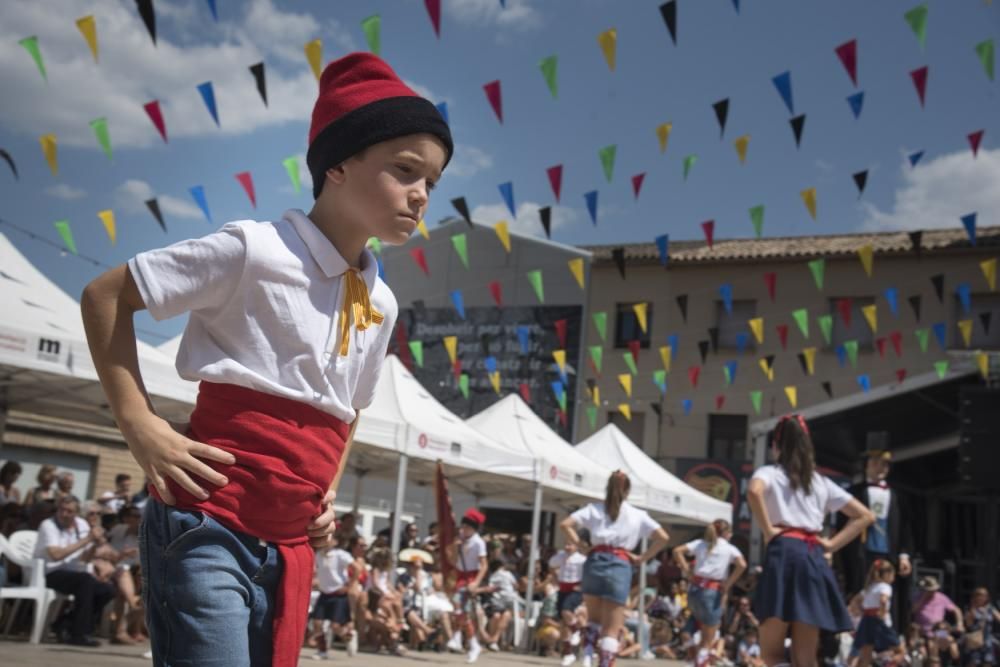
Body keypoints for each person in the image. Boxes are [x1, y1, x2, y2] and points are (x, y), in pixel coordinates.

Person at [80, 51, 452, 667]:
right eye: (405, 170)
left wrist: (327, 491)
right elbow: (106, 296)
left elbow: (347, 409)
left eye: (431, 183)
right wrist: (140, 424)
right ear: (337, 162)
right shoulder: (254, 248)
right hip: (208, 525)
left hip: (291, 545)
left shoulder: (380, 302)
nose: (420, 195)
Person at [746, 414, 874, 667]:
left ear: (777, 446)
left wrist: (769, 530)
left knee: (771, 655)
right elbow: (865, 515)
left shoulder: (770, 473)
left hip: (783, 552)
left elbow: (753, 491)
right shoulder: (820, 482)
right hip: (813, 555)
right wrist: (831, 544)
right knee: (805, 658)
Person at [560, 470, 670, 667]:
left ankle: (586, 655)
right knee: (612, 627)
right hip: (620, 563)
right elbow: (663, 537)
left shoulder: (593, 508)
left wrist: (582, 546)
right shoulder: (638, 514)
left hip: (594, 561)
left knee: (592, 618)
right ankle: (604, 663)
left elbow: (565, 524)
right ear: (627, 491)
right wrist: (642, 557)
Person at [837, 446, 913, 629]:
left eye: (885, 465)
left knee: (886, 595)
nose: (881, 468)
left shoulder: (897, 496)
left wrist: (904, 555)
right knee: (859, 590)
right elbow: (842, 524)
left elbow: (905, 528)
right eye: (876, 463)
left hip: (888, 553)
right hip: (861, 553)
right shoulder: (854, 493)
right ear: (866, 466)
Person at [33, 496, 115, 646]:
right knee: (85, 581)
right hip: (50, 572)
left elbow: (84, 558)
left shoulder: (81, 524)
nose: (64, 514)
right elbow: (56, 555)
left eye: (69, 511)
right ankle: (80, 634)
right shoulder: (48, 525)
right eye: (61, 510)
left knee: (107, 589)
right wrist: (88, 539)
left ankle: (65, 623)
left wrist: (95, 544)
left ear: (76, 513)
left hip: (75, 573)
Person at [673, 518, 747, 667]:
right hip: (712, 591)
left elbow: (677, 551)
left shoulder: (700, 544)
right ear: (726, 533)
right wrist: (729, 583)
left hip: (694, 589)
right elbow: (742, 564)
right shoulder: (728, 548)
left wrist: (687, 571)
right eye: (730, 532)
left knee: (696, 625)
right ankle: (700, 659)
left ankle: (693, 652)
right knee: (708, 639)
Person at [446, 508, 489, 662]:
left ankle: (462, 639)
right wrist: (456, 548)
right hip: (459, 574)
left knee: (458, 605)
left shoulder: (478, 542)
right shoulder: (459, 538)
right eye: (463, 526)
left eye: (467, 527)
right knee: (461, 612)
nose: (463, 529)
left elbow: (484, 565)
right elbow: (452, 560)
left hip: (470, 576)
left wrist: (476, 582)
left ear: (473, 528)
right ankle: (468, 642)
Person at [310, 540, 358, 660]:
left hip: (338, 594)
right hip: (324, 593)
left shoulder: (340, 554)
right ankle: (322, 650)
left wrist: (349, 585)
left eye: (329, 538)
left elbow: (356, 568)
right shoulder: (318, 555)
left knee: (335, 626)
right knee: (316, 623)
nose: (326, 541)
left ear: (335, 541)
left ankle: (349, 636)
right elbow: (317, 572)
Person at [852, 559, 900, 667]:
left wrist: (861, 612)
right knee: (900, 651)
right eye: (893, 574)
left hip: (866, 621)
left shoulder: (869, 587)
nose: (894, 577)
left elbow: (854, 602)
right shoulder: (885, 587)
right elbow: (883, 600)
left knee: (865, 656)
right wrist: (882, 614)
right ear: (887, 574)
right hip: (878, 621)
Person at [549, 540, 588, 666]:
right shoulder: (560, 556)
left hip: (575, 589)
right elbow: (551, 564)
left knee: (566, 610)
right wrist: (554, 576)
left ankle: (576, 629)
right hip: (563, 589)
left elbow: (588, 574)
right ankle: (568, 653)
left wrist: (583, 586)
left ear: (577, 546)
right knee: (563, 623)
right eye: (566, 544)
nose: (567, 547)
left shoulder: (582, 559)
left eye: (570, 544)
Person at [963, 587, 999, 667]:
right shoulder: (970, 609)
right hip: (975, 640)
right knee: (973, 663)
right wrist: (972, 610)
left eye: (985, 595)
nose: (983, 597)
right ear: (975, 596)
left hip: (987, 640)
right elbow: (969, 625)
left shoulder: (990, 609)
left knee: (988, 663)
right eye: (980, 595)